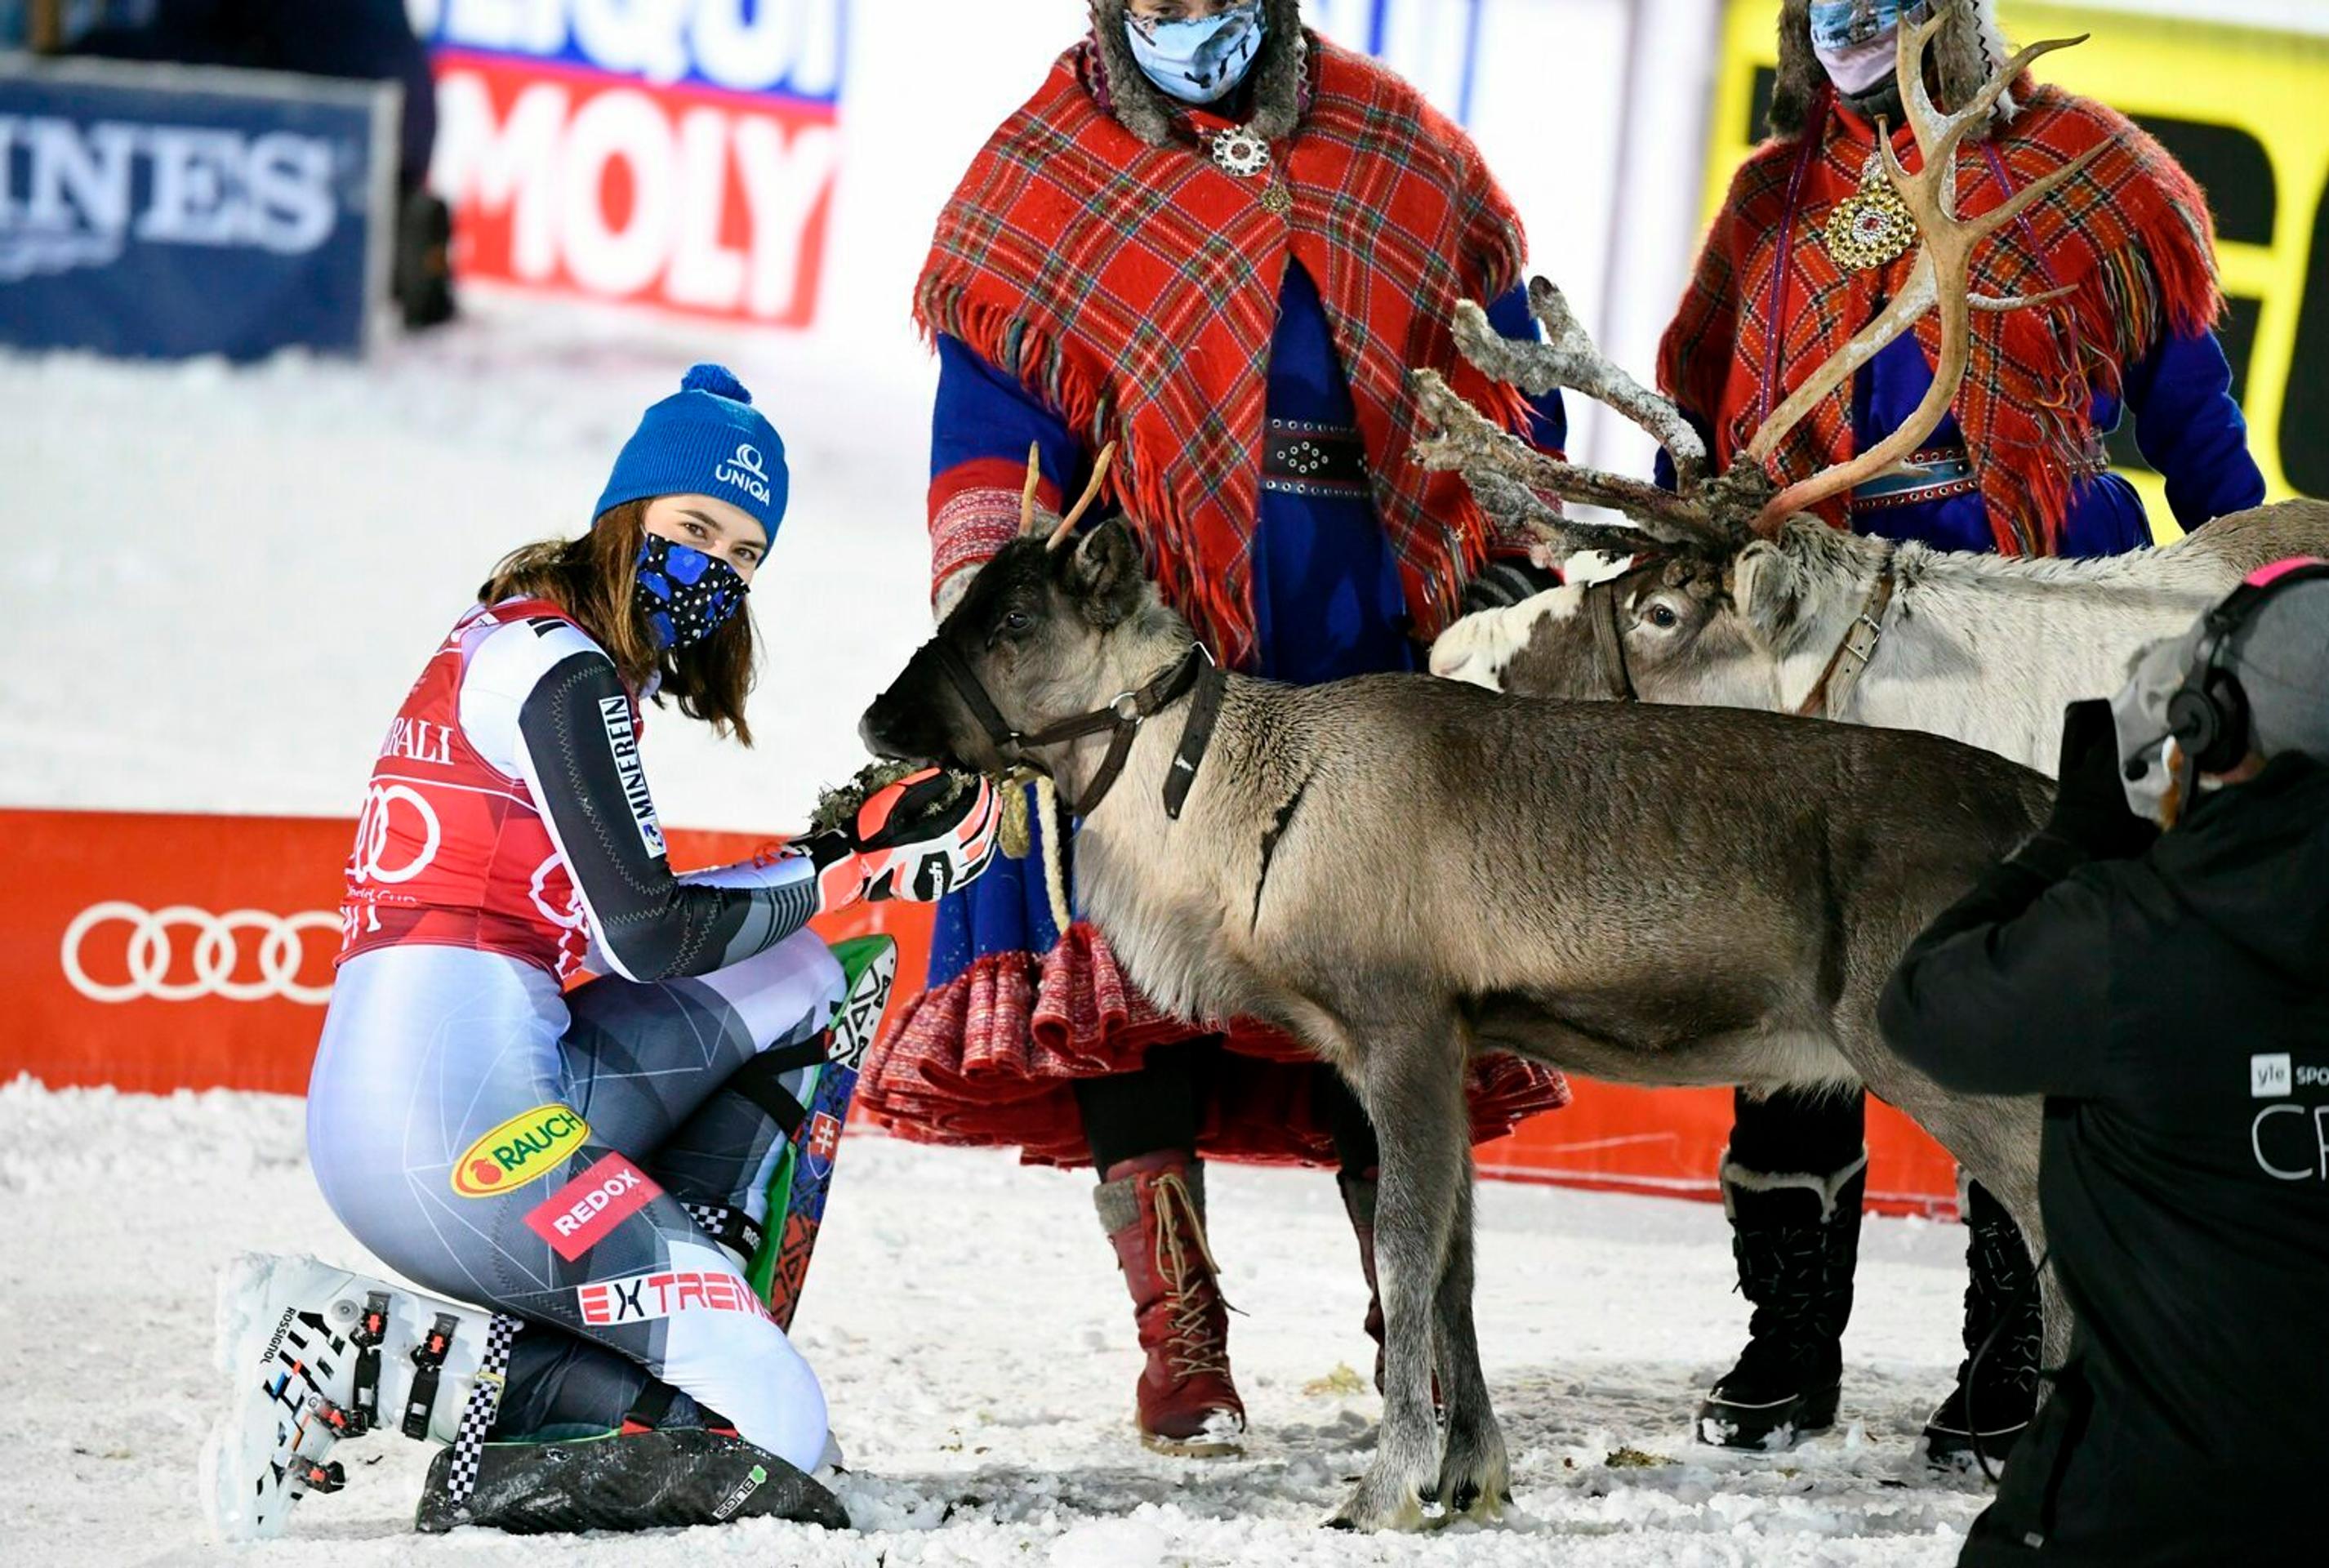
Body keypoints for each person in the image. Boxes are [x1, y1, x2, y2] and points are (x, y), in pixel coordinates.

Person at [856, 0, 1571, 1455]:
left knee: (1386, 982)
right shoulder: (1046, 169)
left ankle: (1415, 1328)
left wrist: (1504, 555)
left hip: (1359, 623)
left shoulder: (1398, 149)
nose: (1194, 19)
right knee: (1126, 966)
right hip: (1148, 632)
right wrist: (986, 605)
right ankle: (1182, 1339)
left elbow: (1501, 384)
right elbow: (989, 426)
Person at [203, 364, 1002, 1540]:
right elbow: (651, 932)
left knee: (813, 977)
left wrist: (833, 856)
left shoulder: (545, 649)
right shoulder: (558, 666)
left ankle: (662, 1290)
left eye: (742, 556)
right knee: (774, 1434)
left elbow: (673, 929)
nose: (712, 571)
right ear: (626, 515)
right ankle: (370, 1359)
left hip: (475, 1088)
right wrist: (846, 867)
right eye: (693, 530)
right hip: (449, 1128)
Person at [1654, 0, 2267, 1458]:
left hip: (2035, 635)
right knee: (1788, 975)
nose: (1846, 20)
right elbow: (1690, 422)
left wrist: (2269, 600)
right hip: (1818, 650)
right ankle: (1787, 1337)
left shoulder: (2097, 180)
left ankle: (2016, 1345)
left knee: (2024, 983)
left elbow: (2198, 443)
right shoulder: (1772, 197)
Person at [1877, 559, 2329, 1566]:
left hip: (2141, 1515)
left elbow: (1922, 1009)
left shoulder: (2133, 935)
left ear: (2210, 725)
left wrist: (2071, 843)